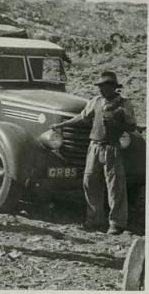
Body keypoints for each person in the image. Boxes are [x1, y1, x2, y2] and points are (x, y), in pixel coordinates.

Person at [51, 71, 136, 235]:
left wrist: (116, 124)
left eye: (104, 87)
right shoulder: (96, 101)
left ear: (113, 88)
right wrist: (61, 125)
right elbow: (82, 117)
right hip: (94, 146)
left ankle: (116, 224)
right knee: (90, 181)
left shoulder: (124, 104)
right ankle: (94, 219)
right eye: (100, 87)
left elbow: (132, 127)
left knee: (115, 186)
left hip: (112, 148)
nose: (101, 90)